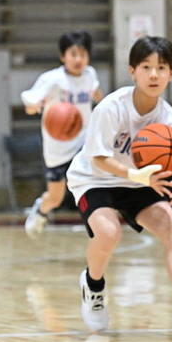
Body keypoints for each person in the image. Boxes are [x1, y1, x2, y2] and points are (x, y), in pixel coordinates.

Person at [64, 37, 172, 336]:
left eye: (161, 68)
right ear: (132, 71)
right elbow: (99, 158)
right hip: (95, 178)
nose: (154, 75)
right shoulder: (112, 107)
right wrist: (137, 176)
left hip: (140, 180)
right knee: (108, 232)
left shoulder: (170, 120)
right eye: (146, 67)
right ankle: (93, 285)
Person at [20, 30, 103, 237]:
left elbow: (98, 96)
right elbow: (29, 105)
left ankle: (98, 222)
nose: (78, 59)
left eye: (83, 55)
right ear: (62, 56)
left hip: (84, 143)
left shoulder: (90, 75)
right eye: (73, 54)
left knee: (92, 183)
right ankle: (41, 209)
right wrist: (36, 106)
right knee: (55, 198)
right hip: (57, 147)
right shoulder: (52, 80)